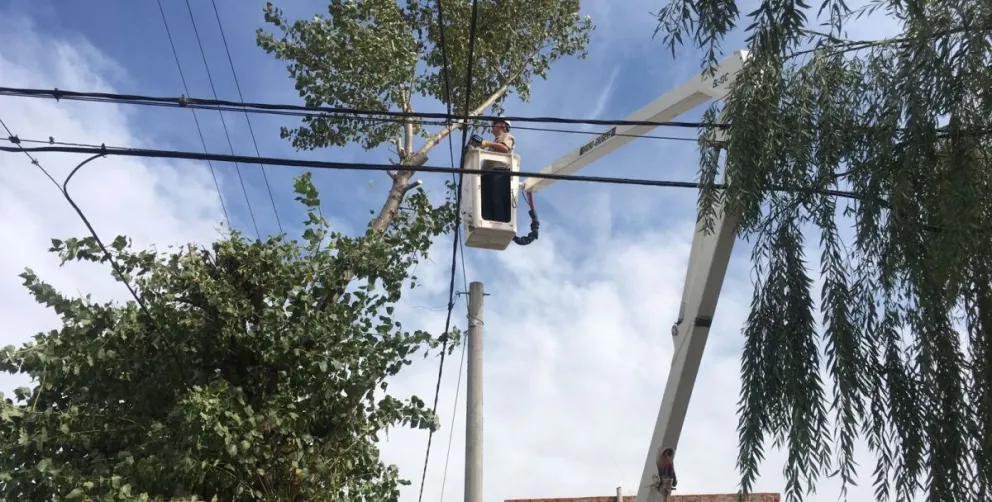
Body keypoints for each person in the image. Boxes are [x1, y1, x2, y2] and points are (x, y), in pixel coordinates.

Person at [476, 117, 515, 223]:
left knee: (497, 198)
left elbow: (505, 148)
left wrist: (487, 143)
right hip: (488, 175)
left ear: (502, 125)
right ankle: (488, 221)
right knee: (486, 202)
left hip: (500, 172)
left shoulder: (506, 136)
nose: (492, 126)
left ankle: (500, 222)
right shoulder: (495, 142)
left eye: (494, 124)